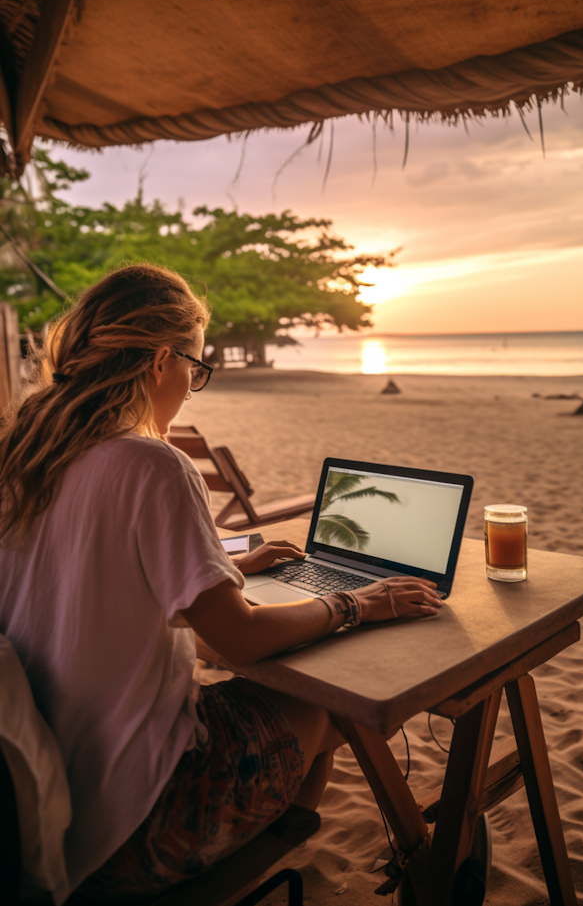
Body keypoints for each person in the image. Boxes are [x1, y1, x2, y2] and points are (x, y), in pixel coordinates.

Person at [0, 264, 443, 899]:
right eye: (195, 369)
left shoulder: (21, 455)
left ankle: (267, 851)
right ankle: (300, 858)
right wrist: (354, 604)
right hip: (138, 819)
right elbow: (237, 640)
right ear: (160, 361)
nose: (190, 386)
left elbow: (92, 581)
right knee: (339, 704)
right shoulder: (153, 464)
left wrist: (223, 566)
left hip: (45, 801)